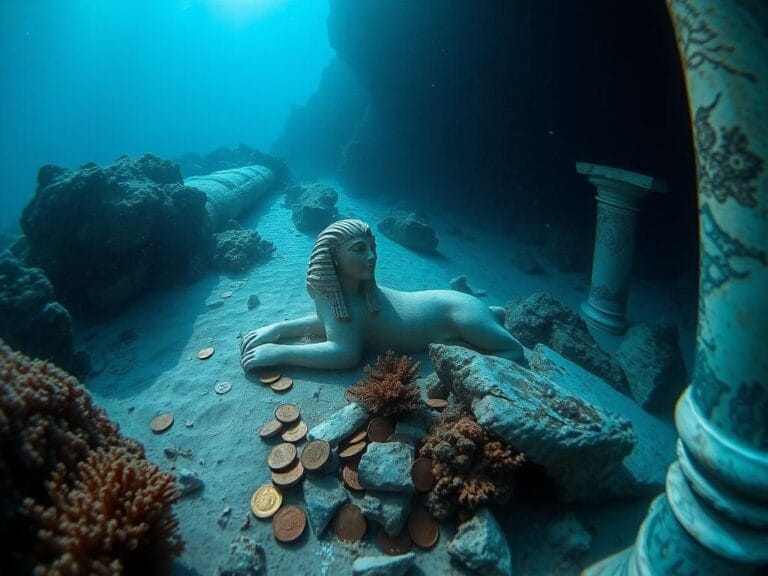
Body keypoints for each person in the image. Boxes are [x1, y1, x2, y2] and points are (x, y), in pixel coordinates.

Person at [240, 219, 524, 371]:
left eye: (371, 247)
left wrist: (281, 354)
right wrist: (277, 330)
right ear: (333, 258)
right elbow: (332, 325)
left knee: (476, 323)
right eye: (359, 249)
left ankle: (504, 344)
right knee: (472, 318)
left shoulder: (359, 300)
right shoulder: (337, 299)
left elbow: (344, 353)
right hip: (444, 316)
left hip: (452, 308)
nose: (372, 256)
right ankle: (487, 319)